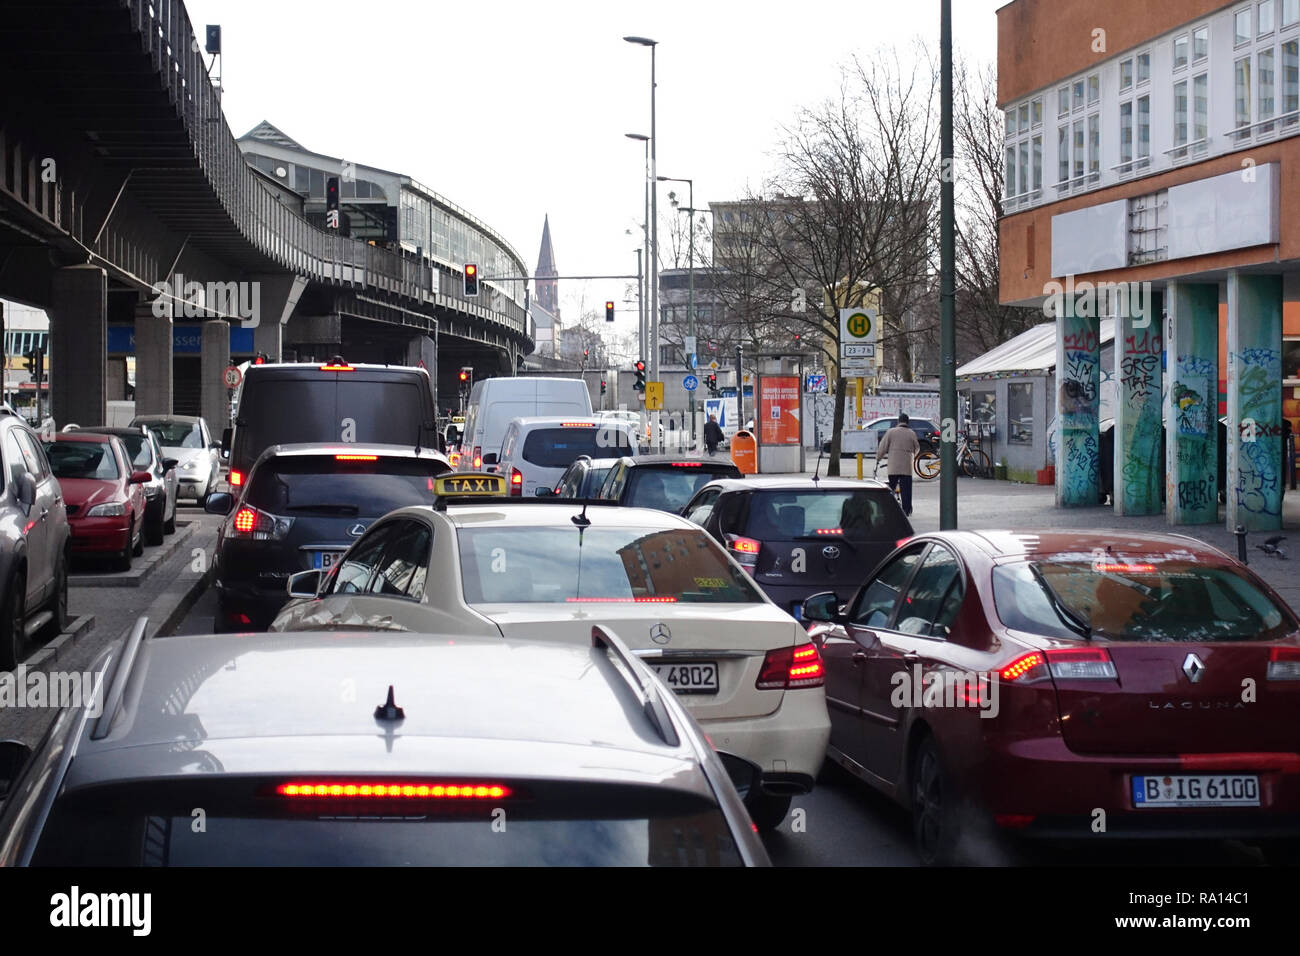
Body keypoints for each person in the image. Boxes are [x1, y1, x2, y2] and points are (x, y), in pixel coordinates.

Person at [876, 414, 920, 516]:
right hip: (906, 466)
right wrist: (913, 455)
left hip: (893, 466)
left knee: (891, 488)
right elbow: (917, 448)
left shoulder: (890, 432)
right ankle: (907, 509)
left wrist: (878, 458)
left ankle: (890, 508)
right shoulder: (911, 433)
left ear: (898, 421)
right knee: (906, 490)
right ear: (907, 422)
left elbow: (882, 447)